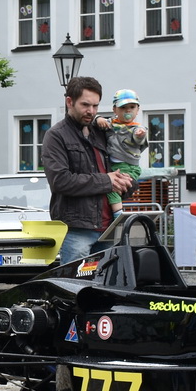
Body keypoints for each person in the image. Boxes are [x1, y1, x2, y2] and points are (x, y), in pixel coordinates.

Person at [41, 76, 134, 261]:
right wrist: (107, 180)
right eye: (85, 105)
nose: (91, 111)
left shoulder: (101, 132)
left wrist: (127, 183)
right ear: (69, 102)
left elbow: (116, 167)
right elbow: (60, 181)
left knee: (106, 288)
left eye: (95, 106)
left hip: (109, 229)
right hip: (77, 231)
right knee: (77, 287)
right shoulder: (55, 136)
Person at [97, 89, 147, 205]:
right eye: (123, 107)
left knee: (112, 189)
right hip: (113, 165)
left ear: (138, 110)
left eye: (132, 107)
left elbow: (139, 138)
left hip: (128, 167)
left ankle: (118, 213)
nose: (128, 110)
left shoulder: (136, 128)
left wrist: (140, 135)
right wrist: (98, 119)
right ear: (114, 109)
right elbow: (94, 122)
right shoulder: (111, 123)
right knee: (111, 187)